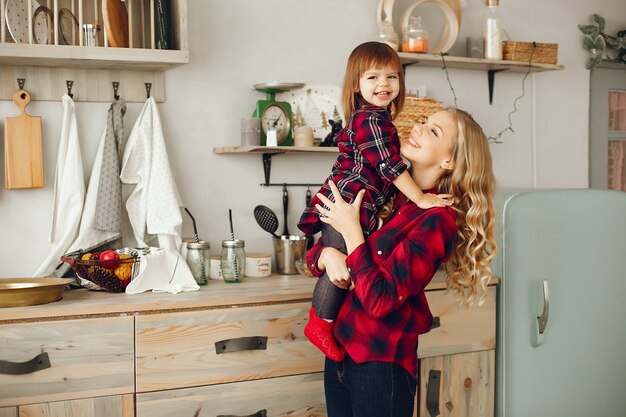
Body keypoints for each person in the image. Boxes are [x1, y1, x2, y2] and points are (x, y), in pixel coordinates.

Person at [307, 107, 497, 417]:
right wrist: (327, 256)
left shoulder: (437, 221)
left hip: (382, 368)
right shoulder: (386, 194)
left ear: (449, 161)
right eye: (424, 121)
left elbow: (379, 300)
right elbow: (319, 251)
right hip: (340, 354)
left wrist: (353, 230)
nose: (419, 128)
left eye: (434, 131)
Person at [298, 41, 451, 361]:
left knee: (341, 259)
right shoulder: (371, 120)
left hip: (378, 351)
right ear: (356, 84)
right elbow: (388, 166)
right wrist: (420, 197)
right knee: (338, 260)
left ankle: (322, 322)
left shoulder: (378, 121)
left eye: (391, 77)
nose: (384, 84)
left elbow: (378, 284)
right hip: (348, 202)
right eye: (373, 78)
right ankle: (321, 322)